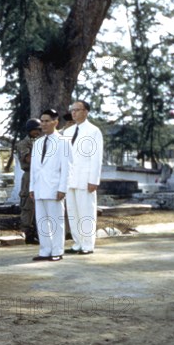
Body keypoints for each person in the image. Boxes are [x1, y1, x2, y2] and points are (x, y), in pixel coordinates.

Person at [29, 109, 71, 262]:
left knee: (56, 220)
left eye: (47, 121)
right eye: (42, 121)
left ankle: (57, 251)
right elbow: (34, 167)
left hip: (54, 188)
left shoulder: (63, 142)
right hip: (39, 188)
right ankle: (45, 250)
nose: (44, 124)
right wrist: (32, 188)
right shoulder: (38, 142)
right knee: (42, 221)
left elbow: (67, 168)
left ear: (55, 122)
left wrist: (62, 188)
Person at [65, 100, 104, 255]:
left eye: (77, 110)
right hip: (70, 179)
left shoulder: (94, 131)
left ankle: (88, 244)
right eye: (72, 110)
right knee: (73, 212)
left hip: (85, 178)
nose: (73, 113)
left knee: (86, 212)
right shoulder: (67, 132)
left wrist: (93, 180)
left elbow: (96, 158)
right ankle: (77, 242)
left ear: (86, 112)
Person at [16, 118, 42, 245]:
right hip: (30, 175)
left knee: (41, 205)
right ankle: (27, 232)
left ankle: (39, 232)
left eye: (39, 130)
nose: (37, 132)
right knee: (28, 205)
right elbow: (28, 159)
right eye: (35, 130)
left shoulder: (42, 142)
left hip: (42, 175)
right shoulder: (23, 144)